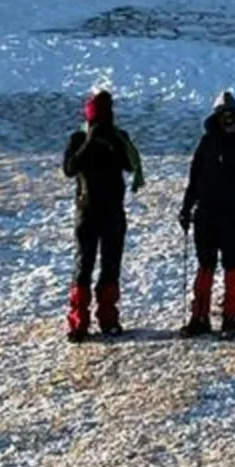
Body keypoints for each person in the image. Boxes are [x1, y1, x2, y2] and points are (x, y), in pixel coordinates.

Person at [178, 91, 235, 339]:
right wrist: (186, 208)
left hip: (230, 213)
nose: (228, 120)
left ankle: (229, 318)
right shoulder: (207, 143)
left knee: (229, 264)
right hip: (206, 212)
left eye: (231, 115)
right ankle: (200, 316)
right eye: (223, 115)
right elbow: (194, 178)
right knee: (206, 264)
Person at [62, 89, 144, 340]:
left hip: (112, 211)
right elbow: (69, 168)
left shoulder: (119, 137)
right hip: (87, 212)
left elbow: (131, 166)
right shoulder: (78, 138)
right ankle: (78, 322)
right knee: (83, 266)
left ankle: (108, 318)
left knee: (110, 266)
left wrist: (114, 143)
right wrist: (90, 142)